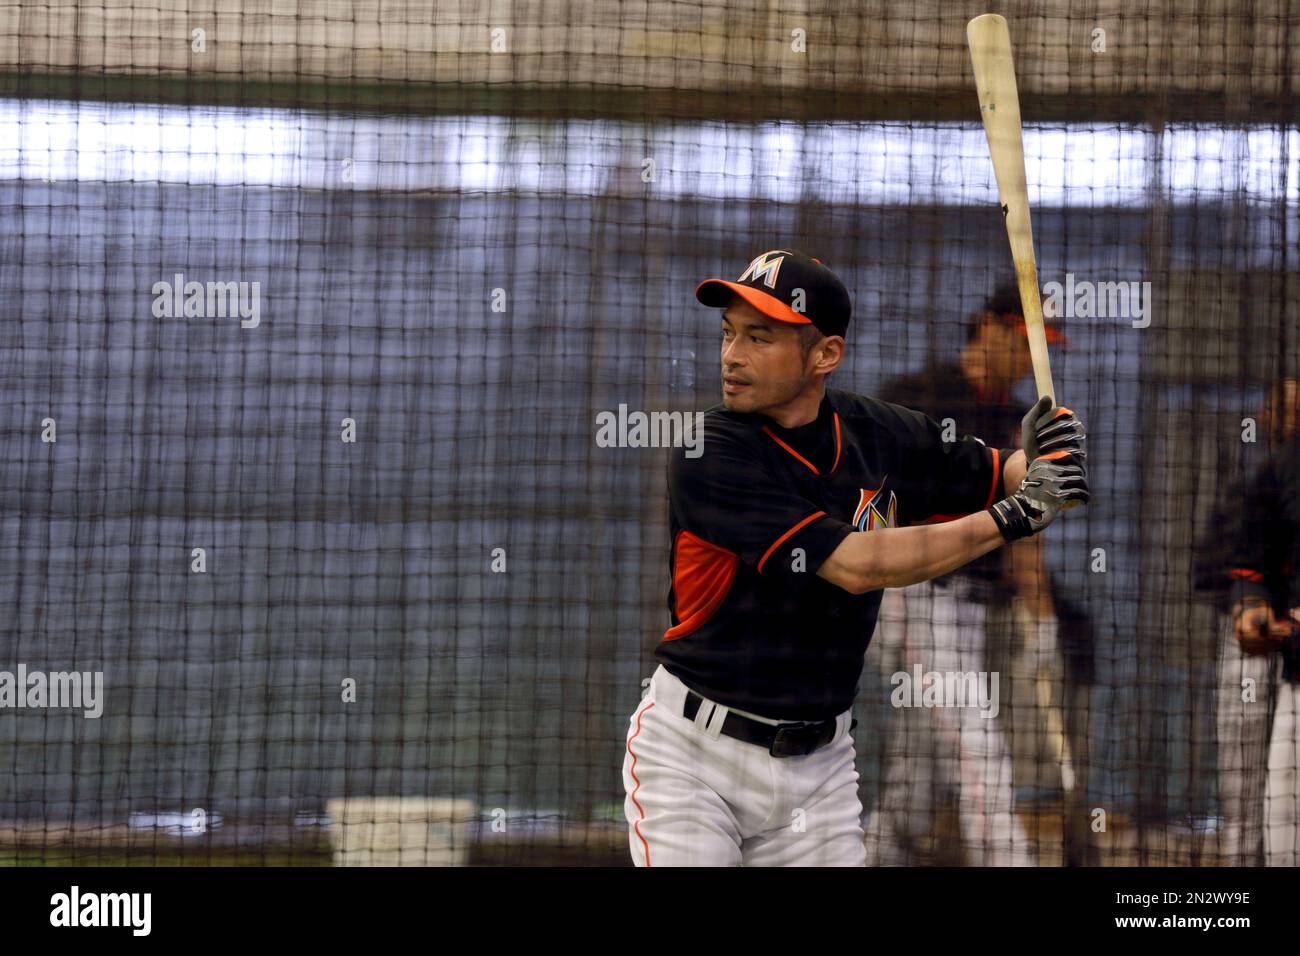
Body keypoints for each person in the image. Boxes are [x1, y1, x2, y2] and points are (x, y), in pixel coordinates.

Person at [621, 250, 1089, 866]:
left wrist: (1052, 461)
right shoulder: (711, 451)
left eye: (759, 337)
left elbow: (1001, 471)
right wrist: (1015, 517)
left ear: (825, 356)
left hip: (819, 771)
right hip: (694, 759)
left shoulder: (880, 432)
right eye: (729, 333)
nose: (731, 356)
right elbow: (856, 564)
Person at [861, 284, 1075, 866]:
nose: (1033, 360)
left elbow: (1024, 531)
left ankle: (869, 858)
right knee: (978, 746)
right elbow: (862, 500)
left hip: (971, 608)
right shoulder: (918, 397)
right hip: (914, 595)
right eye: (1025, 341)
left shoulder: (1015, 420)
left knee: (919, 775)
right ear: (987, 326)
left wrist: (1043, 623)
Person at [1195, 376, 1300, 865]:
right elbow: (1226, 566)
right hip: (1259, 644)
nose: (1292, 417)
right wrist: (1252, 605)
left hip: (1290, 645)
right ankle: (1240, 862)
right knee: (1247, 761)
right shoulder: (1258, 481)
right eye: (1285, 408)